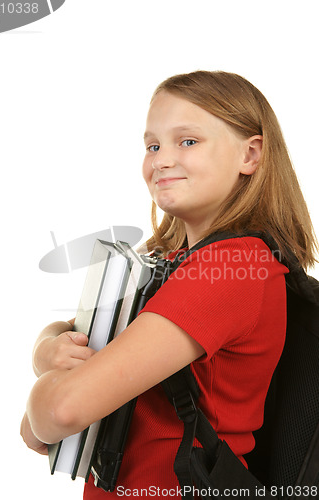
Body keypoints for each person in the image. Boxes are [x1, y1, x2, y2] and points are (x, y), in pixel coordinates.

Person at [20, 71, 317, 498]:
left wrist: (46, 383)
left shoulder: (233, 266)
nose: (161, 159)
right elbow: (44, 417)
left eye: (188, 141)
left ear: (250, 155)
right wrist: (46, 347)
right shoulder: (171, 263)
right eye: (153, 145)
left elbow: (59, 412)